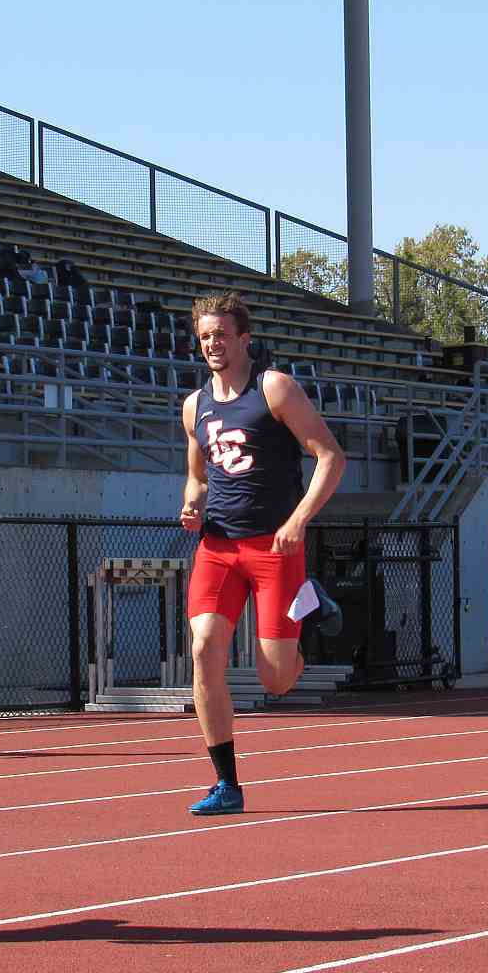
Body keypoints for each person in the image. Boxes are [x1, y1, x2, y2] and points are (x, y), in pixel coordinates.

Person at [179, 291, 345, 816]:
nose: (213, 344)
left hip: (274, 546)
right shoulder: (194, 405)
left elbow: (330, 457)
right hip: (218, 547)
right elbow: (197, 476)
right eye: (205, 337)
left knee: (276, 680)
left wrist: (298, 521)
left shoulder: (274, 388)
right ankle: (226, 783)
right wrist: (191, 503)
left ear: (244, 339)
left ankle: (310, 605)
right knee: (204, 649)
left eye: (221, 335)